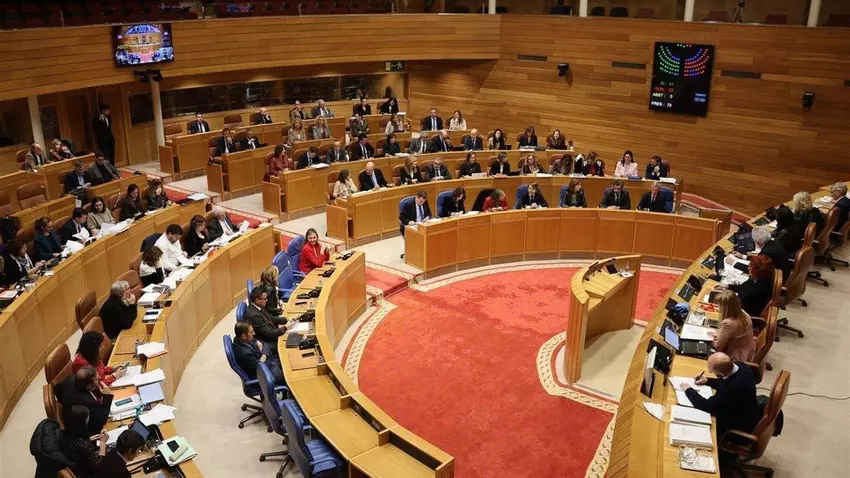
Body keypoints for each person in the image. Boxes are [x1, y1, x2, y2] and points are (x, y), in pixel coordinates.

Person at [679, 352, 761, 469]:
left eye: (711, 371)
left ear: (720, 374)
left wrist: (688, 390)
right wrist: (707, 380)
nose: (710, 372)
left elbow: (707, 405)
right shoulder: (741, 366)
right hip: (750, 412)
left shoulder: (730, 389)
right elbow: (726, 380)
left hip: (739, 426)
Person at [56, 367, 112, 437]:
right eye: (96, 380)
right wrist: (107, 396)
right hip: (84, 433)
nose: (100, 377)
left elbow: (56, 389)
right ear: (89, 386)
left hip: (70, 418)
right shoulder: (88, 402)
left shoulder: (70, 379)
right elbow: (101, 420)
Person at [232, 322, 285, 386]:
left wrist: (263, 354)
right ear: (243, 336)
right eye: (251, 332)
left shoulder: (242, 339)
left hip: (265, 362)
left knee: (284, 358)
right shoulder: (245, 354)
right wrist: (264, 354)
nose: (254, 333)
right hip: (263, 374)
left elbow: (264, 343)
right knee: (286, 373)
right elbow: (261, 366)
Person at [708, 291, 756, 362]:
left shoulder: (728, 324)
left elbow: (718, 347)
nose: (718, 308)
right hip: (748, 351)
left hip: (736, 357)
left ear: (725, 308)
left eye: (719, 306)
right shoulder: (743, 313)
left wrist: (708, 339)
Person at [61, 405, 108, 478]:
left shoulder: (66, 432)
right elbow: (99, 464)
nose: (88, 421)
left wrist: (88, 439)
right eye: (87, 420)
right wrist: (103, 443)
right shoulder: (83, 446)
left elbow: (76, 444)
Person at [245, 286, 291, 352]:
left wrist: (286, 319)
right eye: (264, 299)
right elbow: (268, 334)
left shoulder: (258, 306)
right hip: (266, 343)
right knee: (290, 344)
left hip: (271, 333)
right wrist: (285, 327)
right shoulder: (255, 316)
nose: (266, 300)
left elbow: (271, 318)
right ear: (257, 300)